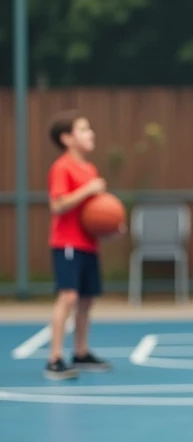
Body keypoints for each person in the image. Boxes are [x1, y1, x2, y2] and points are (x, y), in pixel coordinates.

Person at [46, 111, 114, 381]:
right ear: (66, 138)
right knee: (69, 297)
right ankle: (54, 358)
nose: (91, 134)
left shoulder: (90, 169)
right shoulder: (62, 167)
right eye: (84, 129)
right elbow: (57, 204)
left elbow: (93, 214)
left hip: (88, 243)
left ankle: (81, 352)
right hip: (67, 244)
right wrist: (88, 190)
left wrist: (109, 227)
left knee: (86, 300)